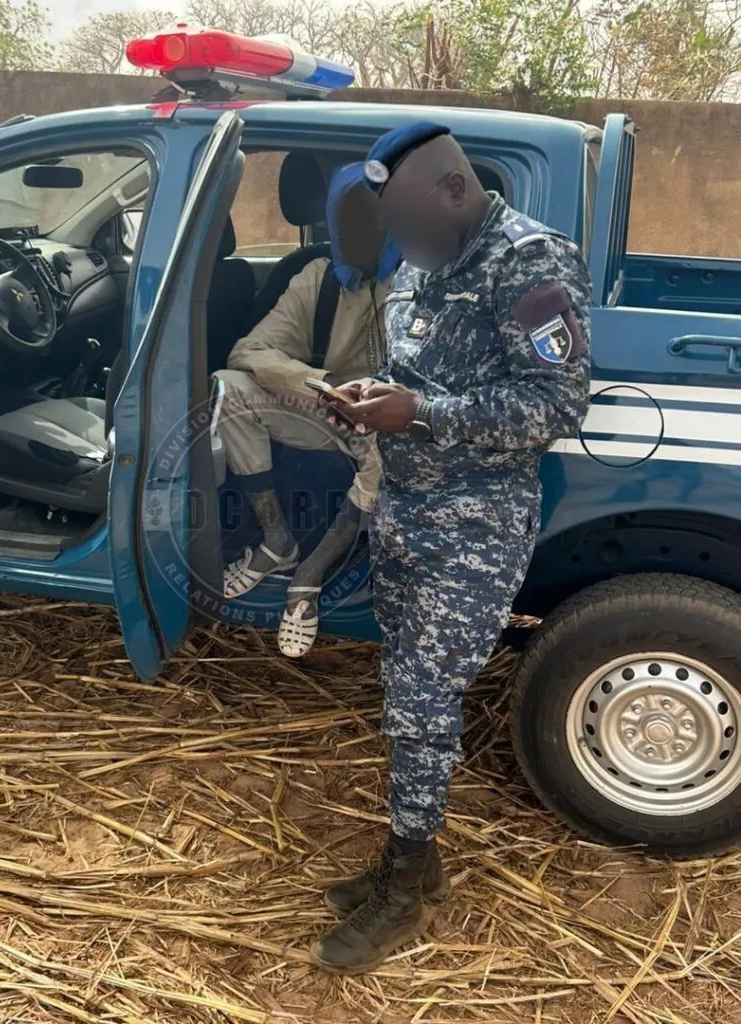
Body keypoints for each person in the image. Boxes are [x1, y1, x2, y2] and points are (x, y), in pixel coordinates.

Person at [310, 123, 592, 973]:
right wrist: (371, 399)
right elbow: (419, 375)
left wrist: (424, 415)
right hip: (405, 511)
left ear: (455, 189)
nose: (399, 240)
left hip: (474, 528)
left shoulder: (529, 263)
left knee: (421, 704)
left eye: (405, 221)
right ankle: (416, 860)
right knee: (405, 686)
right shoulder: (425, 261)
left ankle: (405, 888)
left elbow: (556, 405)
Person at [215, 163, 399, 658]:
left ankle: (310, 574)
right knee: (228, 388)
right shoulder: (318, 279)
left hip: (388, 424)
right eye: (346, 221)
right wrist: (321, 387)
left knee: (393, 451)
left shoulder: (419, 285)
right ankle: (277, 541)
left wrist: (377, 402)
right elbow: (249, 352)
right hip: (323, 409)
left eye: (371, 219)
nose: (357, 233)